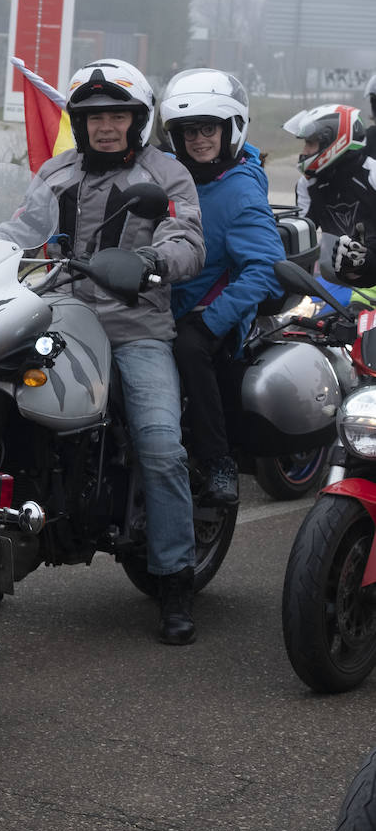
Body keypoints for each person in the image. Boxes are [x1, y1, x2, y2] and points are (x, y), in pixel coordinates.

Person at [37, 59, 206, 645]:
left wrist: (155, 261)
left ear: (138, 120)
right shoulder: (55, 172)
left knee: (161, 445)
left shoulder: (167, 175)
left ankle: (175, 577)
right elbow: (15, 228)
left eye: (117, 116)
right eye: (93, 117)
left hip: (135, 327)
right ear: (78, 124)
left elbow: (186, 239)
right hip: (58, 319)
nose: (105, 127)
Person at [158, 68, 283, 508]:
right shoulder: (175, 179)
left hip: (215, 312)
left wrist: (213, 321)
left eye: (208, 128)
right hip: (166, 302)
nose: (198, 139)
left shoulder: (240, 193)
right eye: (189, 130)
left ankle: (218, 460)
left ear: (230, 129)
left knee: (190, 349)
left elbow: (265, 267)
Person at [283, 104, 376, 289]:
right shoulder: (308, 184)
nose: (304, 151)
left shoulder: (372, 174)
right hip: (334, 279)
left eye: (310, 143)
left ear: (334, 141)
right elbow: (299, 237)